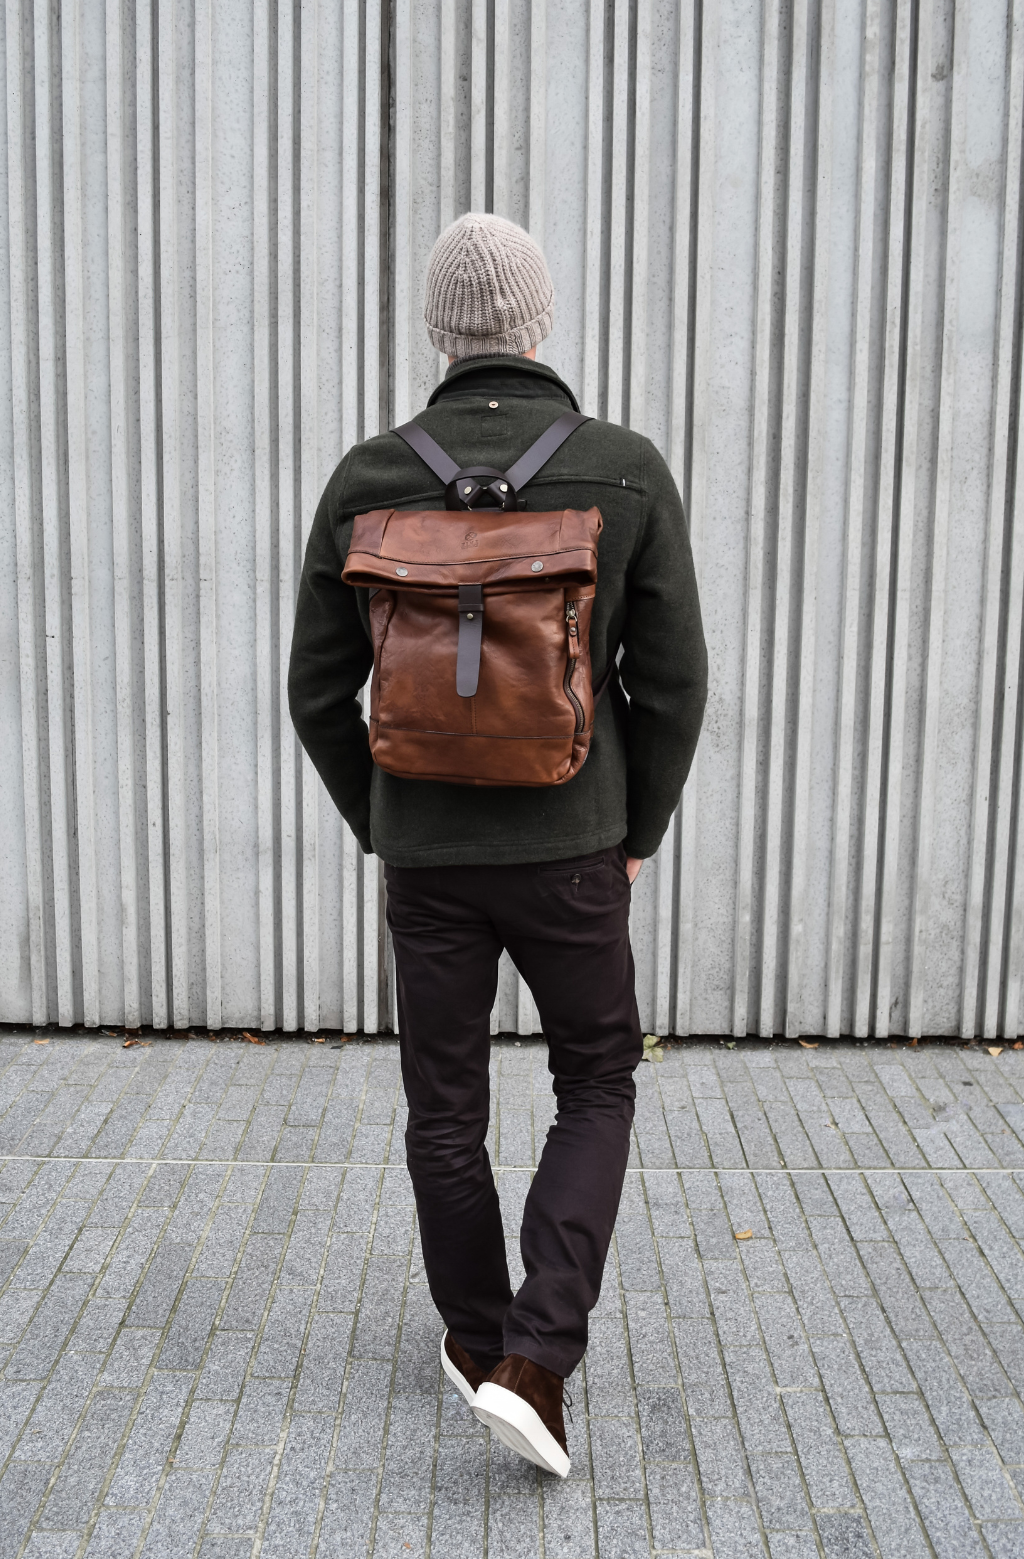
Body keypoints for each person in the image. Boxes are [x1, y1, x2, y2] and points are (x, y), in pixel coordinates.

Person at [288, 212, 706, 1478]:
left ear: (439, 330)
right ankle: (537, 1359)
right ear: (538, 320)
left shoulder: (368, 477)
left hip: (427, 859)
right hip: (575, 845)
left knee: (444, 1106)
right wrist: (635, 832)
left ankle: (479, 1343)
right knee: (598, 1077)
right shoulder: (622, 468)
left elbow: (315, 691)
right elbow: (672, 681)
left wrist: (388, 823)